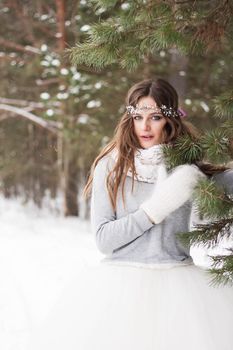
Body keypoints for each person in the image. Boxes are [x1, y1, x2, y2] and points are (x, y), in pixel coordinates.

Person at [28, 78, 233, 350]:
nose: (145, 127)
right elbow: (104, 239)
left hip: (180, 294)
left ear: (170, 121)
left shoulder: (186, 168)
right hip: (119, 291)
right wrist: (153, 210)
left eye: (155, 117)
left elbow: (226, 182)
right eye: (138, 117)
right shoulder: (110, 167)